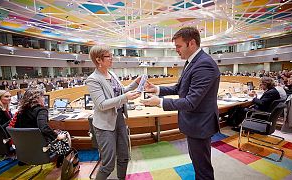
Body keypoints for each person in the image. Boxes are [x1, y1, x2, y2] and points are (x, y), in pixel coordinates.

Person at [141, 27, 220, 180]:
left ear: (191, 43)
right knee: (198, 163)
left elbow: (191, 102)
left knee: (203, 169)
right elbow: (179, 88)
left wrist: (160, 102)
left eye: (178, 46)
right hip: (195, 124)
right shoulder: (192, 62)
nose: (176, 50)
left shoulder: (204, 64)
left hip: (200, 124)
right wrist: (156, 89)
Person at [85, 45, 141, 180]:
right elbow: (102, 104)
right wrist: (125, 98)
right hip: (105, 125)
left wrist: (135, 83)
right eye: (108, 56)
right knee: (108, 165)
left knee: (124, 157)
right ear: (98, 60)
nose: (112, 58)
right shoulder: (93, 79)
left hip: (119, 120)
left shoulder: (112, 74)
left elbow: (121, 91)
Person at [11, 89, 68, 166]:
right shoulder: (41, 110)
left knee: (53, 132)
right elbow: (43, 127)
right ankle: (61, 161)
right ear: (37, 98)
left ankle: (26, 159)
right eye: (42, 97)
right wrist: (57, 136)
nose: (44, 99)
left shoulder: (21, 111)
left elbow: (18, 128)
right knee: (64, 134)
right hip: (41, 146)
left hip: (24, 146)